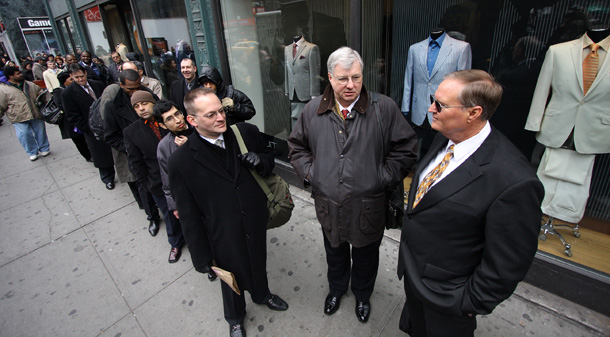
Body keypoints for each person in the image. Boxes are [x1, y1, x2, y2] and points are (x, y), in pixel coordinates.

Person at [397, 70, 544, 337]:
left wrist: (468, 303)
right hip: (415, 277)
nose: (431, 108)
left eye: (440, 104)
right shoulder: (446, 135)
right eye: (433, 99)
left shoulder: (514, 181)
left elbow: (508, 263)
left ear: (473, 113)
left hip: (449, 299)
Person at [288, 47, 418, 323]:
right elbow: (296, 146)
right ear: (330, 78)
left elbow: (407, 148)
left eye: (356, 78)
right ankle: (336, 289)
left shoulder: (383, 108)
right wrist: (313, 175)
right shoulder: (313, 110)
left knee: (366, 255)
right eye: (343, 78)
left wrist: (381, 178)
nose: (351, 85)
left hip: (368, 205)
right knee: (334, 251)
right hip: (329, 203)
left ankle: (362, 294)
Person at [168, 88, 288, 337]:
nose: (220, 118)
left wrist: (261, 161)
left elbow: (270, 159)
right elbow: (188, 215)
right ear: (192, 120)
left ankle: (262, 294)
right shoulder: (181, 161)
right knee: (229, 276)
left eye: (221, 111)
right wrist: (201, 258)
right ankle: (235, 317)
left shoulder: (244, 132)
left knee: (258, 259)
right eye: (211, 115)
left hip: (255, 220)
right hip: (221, 232)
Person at [123, 92, 185, 263]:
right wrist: (148, 184)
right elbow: (135, 163)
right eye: (136, 106)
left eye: (144, 103)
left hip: (183, 178)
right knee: (170, 215)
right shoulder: (131, 132)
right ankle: (176, 243)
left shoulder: (172, 120)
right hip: (158, 183)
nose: (141, 108)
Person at [103, 69, 161, 235]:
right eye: (130, 89)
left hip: (155, 149)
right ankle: (153, 217)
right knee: (143, 186)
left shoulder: (148, 94)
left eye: (138, 87)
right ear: (121, 86)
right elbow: (111, 137)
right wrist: (131, 147)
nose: (135, 92)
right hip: (135, 155)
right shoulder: (112, 107)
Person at [61, 63, 116, 189]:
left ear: (85, 73)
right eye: (76, 78)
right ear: (71, 77)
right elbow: (72, 116)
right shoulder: (68, 94)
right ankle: (107, 178)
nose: (80, 80)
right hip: (91, 128)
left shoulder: (97, 84)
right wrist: (87, 128)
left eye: (81, 76)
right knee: (101, 155)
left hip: (107, 123)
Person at [0, 65, 51, 161]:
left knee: (40, 132)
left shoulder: (29, 84)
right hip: (18, 116)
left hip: (34, 112)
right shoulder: (3, 89)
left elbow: (40, 93)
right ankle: (32, 152)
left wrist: (43, 102)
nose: (20, 74)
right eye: (17, 73)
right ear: (10, 76)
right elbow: (1, 104)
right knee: (24, 134)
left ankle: (44, 148)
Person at [53, 71, 92, 162]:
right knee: (79, 141)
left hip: (81, 118)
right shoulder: (59, 92)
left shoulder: (78, 88)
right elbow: (61, 106)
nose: (74, 80)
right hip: (70, 123)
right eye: (71, 79)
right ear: (64, 81)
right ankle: (87, 156)